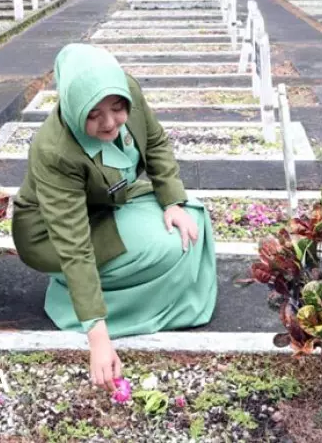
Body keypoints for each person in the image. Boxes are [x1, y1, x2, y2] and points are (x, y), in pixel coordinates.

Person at [11, 43, 218, 391]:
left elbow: (155, 142)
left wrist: (171, 202)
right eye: (93, 115)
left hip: (106, 200)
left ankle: (158, 298)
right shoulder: (54, 150)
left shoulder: (127, 90)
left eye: (117, 109)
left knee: (191, 215)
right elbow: (73, 244)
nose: (109, 123)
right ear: (73, 107)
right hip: (49, 232)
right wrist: (98, 339)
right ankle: (83, 304)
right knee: (166, 246)